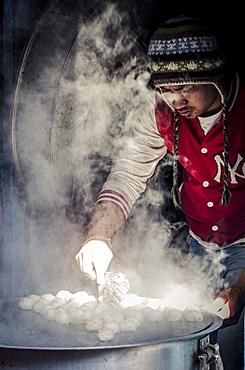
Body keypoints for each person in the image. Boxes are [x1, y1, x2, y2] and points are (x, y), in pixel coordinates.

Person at [75, 16, 245, 369]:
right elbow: (128, 172)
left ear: (214, 76)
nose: (175, 99)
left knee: (233, 344)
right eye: (166, 88)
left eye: (186, 87)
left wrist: (241, 289)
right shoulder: (159, 110)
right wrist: (98, 236)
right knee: (196, 342)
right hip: (200, 241)